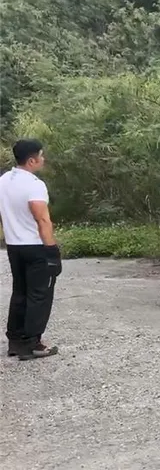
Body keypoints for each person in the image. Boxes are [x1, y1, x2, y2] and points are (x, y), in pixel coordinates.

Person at [0, 138, 62, 361]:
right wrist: (52, 250)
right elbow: (43, 221)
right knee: (39, 295)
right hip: (35, 247)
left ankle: (15, 340)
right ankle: (32, 343)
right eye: (41, 155)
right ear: (31, 160)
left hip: (14, 246)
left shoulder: (4, 180)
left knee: (21, 293)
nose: (43, 159)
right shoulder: (34, 185)